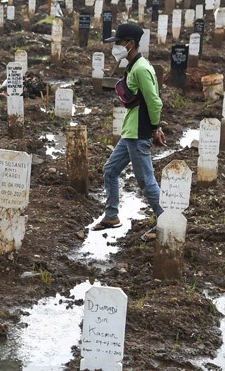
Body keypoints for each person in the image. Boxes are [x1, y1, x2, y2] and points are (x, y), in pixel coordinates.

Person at [92, 23, 167, 241]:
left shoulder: (142, 69)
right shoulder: (134, 66)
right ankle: (111, 216)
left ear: (130, 44)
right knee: (110, 170)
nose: (115, 47)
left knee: (146, 181)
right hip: (130, 132)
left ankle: (166, 221)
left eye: (118, 42)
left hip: (138, 133)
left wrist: (154, 128)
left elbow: (154, 102)